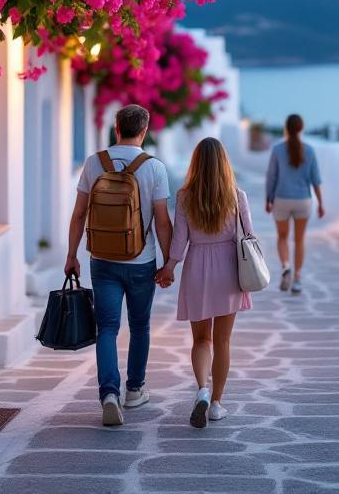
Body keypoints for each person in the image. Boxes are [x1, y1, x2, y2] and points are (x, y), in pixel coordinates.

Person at [65, 105, 172, 427]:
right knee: (140, 326)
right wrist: (168, 264)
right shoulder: (154, 168)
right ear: (144, 130)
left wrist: (72, 255)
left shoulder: (94, 162)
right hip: (141, 260)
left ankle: (108, 394)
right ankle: (134, 390)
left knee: (107, 328)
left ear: (116, 128)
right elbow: (163, 223)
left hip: (102, 260)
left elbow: (79, 213)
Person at [155, 137, 253, 428]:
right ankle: (217, 404)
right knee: (223, 340)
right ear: (224, 163)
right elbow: (247, 236)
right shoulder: (237, 196)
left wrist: (169, 267)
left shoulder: (185, 196)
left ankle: (201, 389)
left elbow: (180, 240)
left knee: (201, 339)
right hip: (229, 270)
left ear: (195, 163)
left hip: (197, 267)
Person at [265, 114, 324, 294]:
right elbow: (316, 180)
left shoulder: (277, 150)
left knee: (282, 237)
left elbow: (271, 177)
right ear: (301, 128)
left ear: (286, 128)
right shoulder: (310, 150)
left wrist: (269, 199)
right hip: (303, 200)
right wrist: (321, 203)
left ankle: (285, 266)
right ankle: (297, 279)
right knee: (299, 241)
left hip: (282, 199)